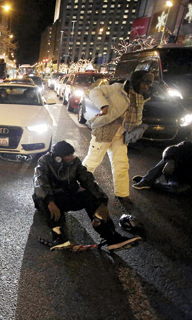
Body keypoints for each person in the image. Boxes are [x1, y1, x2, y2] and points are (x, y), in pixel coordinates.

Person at [33, 141, 142, 250]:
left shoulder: (75, 162)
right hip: (51, 198)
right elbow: (40, 182)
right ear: (58, 158)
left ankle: (111, 237)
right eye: (68, 156)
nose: (71, 158)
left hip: (66, 196)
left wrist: (101, 202)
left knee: (89, 196)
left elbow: (88, 181)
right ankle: (58, 235)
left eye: (72, 155)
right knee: (42, 197)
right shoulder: (45, 161)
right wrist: (50, 201)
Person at [82, 71, 154, 203]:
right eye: (144, 83)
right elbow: (94, 92)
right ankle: (78, 186)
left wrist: (138, 129)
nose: (146, 87)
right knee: (93, 160)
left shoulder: (140, 97)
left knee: (121, 164)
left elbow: (135, 118)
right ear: (137, 81)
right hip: (106, 130)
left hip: (121, 135)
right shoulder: (117, 88)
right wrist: (104, 107)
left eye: (148, 84)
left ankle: (122, 193)